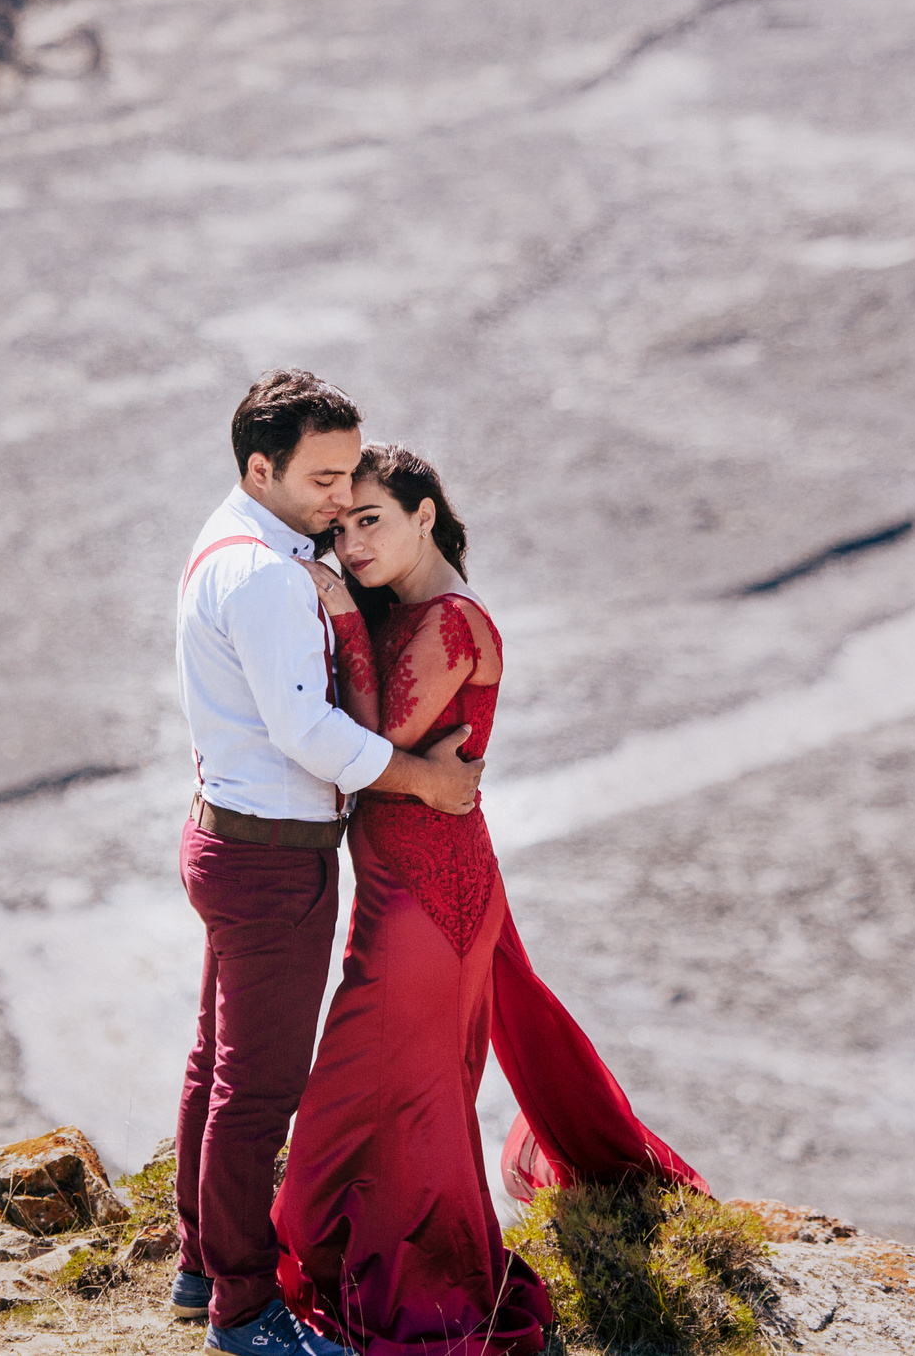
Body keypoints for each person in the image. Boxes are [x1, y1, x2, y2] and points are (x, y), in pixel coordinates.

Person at [273, 443, 707, 1356]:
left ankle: (412, 1287)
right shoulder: (409, 610)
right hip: (411, 886)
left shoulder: (453, 622)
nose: (352, 545)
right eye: (342, 528)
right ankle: (359, 1257)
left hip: (428, 902)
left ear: (424, 514)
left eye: (371, 521)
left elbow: (368, 741)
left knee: (385, 1094)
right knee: (394, 1092)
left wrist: (343, 615)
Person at [173, 374, 490, 1356]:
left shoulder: (230, 538)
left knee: (216, 1065)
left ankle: (200, 1264)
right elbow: (308, 731)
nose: (340, 497)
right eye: (321, 479)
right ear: (258, 468)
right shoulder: (269, 575)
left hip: (228, 839)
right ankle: (242, 1310)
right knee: (257, 1091)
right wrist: (424, 780)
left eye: (350, 474)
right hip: (271, 861)